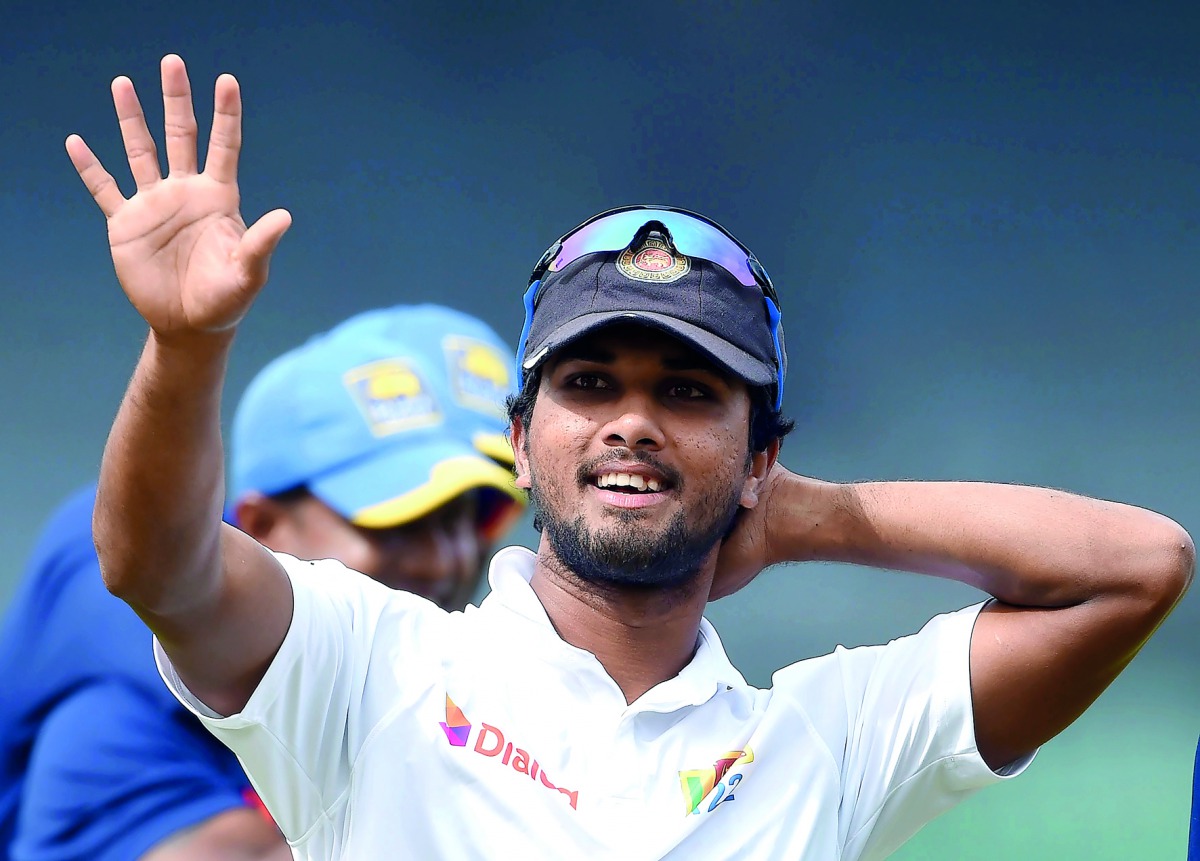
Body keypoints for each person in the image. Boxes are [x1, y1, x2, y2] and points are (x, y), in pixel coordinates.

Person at [71, 55, 1193, 860]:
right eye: (590, 384)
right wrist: (185, 346)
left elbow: (1139, 568)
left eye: (690, 394)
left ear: (761, 457)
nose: (634, 422)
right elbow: (153, 564)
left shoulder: (825, 741)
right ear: (521, 441)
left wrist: (803, 514)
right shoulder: (372, 666)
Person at [0, 304, 524, 860]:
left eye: (474, 513)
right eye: (398, 521)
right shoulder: (135, 660)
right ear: (263, 526)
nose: (446, 560)